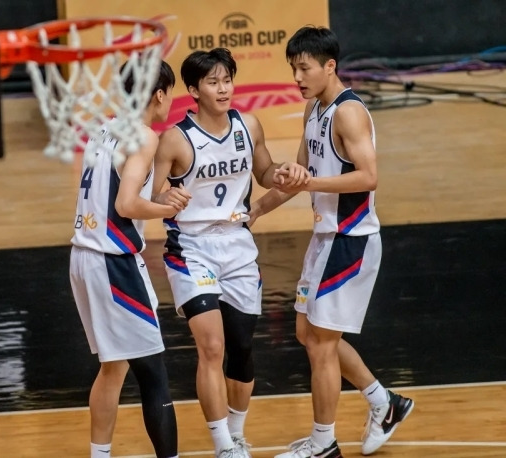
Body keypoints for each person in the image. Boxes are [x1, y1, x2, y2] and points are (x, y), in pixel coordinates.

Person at [248, 26, 414, 458]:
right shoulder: (313, 110)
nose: (298, 78)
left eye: (304, 69)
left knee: (321, 343)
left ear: (329, 66)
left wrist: (309, 183)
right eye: (293, 70)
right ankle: (385, 402)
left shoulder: (349, 112)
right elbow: (299, 175)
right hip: (326, 238)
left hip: (351, 238)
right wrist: (255, 211)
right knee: (308, 333)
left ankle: (323, 445)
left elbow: (368, 176)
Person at [152, 48, 307, 458]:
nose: (223, 89)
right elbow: (150, 193)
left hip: (238, 246)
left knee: (241, 347)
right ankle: (223, 445)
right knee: (212, 347)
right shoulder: (176, 138)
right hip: (192, 248)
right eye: (212, 82)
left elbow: (265, 171)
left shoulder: (248, 125)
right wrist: (165, 195)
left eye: (227, 80)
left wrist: (284, 174)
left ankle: (236, 434)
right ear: (193, 90)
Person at [69, 60, 190, 458]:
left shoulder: (103, 130)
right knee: (153, 372)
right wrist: (166, 210)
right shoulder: (143, 136)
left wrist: (154, 202)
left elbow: (118, 199)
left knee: (114, 366)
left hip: (83, 256)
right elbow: (125, 204)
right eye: (168, 93)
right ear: (158, 94)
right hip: (112, 262)